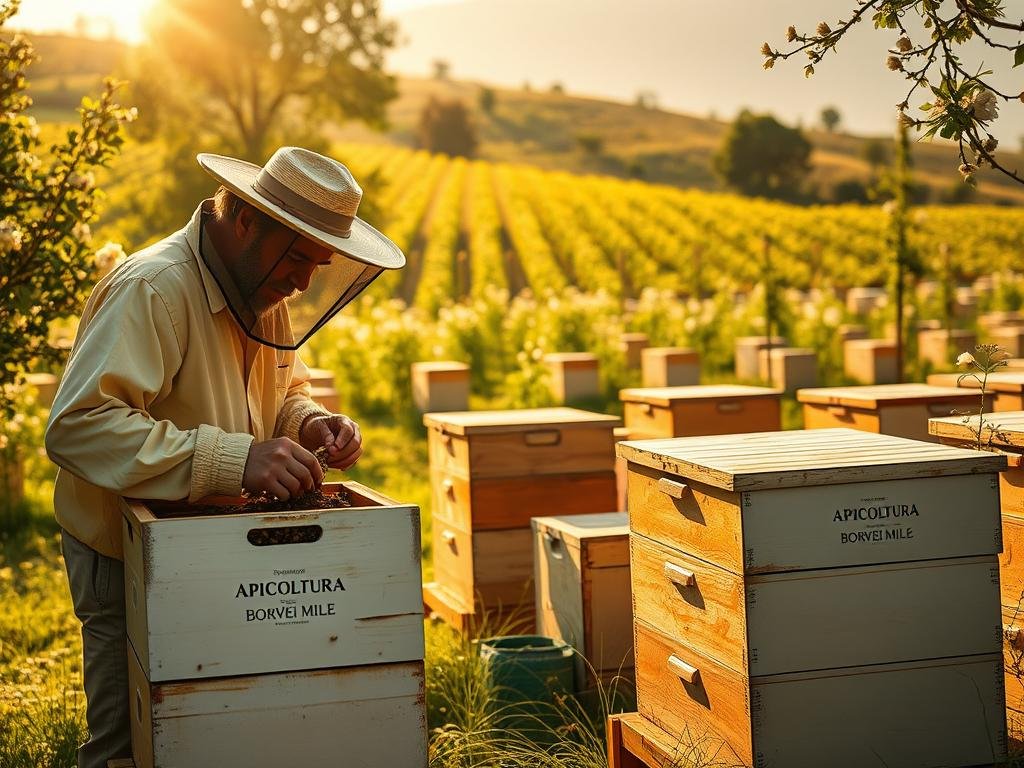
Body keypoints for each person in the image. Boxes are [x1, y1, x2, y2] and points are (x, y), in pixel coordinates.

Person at [44, 146, 405, 768]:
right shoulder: (153, 288)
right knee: (132, 745)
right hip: (123, 550)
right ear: (245, 220)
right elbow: (80, 427)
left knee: (217, 724)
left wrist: (311, 424)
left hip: (220, 548)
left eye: (319, 265)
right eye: (297, 257)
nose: (303, 280)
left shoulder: (261, 287)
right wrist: (233, 461)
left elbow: (285, 386)